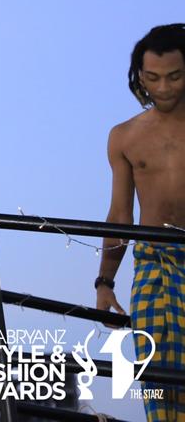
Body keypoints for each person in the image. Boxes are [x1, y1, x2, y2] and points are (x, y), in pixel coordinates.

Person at [96, 23, 185, 421]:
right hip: (153, 265)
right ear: (139, 77)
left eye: (174, 77)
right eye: (153, 77)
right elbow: (119, 215)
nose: (163, 88)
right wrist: (104, 282)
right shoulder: (125, 136)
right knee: (158, 377)